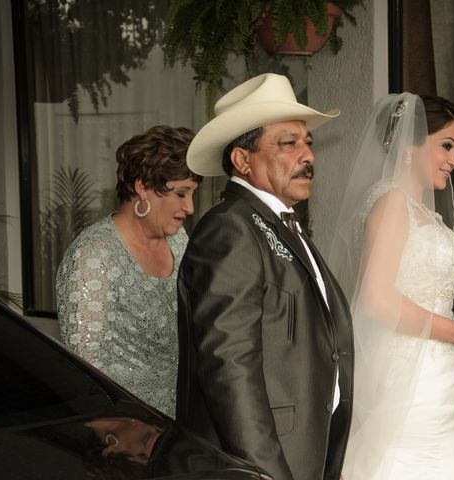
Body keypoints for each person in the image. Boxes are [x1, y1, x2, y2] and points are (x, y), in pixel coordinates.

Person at [176, 73, 354, 480]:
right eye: (288, 143)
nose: (306, 155)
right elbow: (229, 366)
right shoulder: (230, 228)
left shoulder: (280, 225)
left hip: (306, 455)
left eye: (308, 142)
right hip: (262, 465)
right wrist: (268, 474)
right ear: (243, 160)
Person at [329, 93, 454, 479]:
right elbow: (377, 300)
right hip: (409, 379)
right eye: (446, 146)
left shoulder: (422, 213)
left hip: (437, 377)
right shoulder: (391, 204)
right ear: (410, 143)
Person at [57, 125, 202, 418]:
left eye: (192, 194)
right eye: (181, 193)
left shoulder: (178, 239)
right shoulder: (94, 255)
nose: (190, 207)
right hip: (129, 430)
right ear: (142, 187)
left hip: (186, 419)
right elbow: (88, 372)